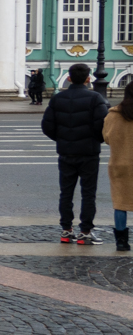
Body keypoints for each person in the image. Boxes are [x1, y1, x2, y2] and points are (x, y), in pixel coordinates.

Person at [42, 62, 110, 244]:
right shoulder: (95, 98)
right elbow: (103, 125)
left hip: (66, 152)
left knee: (66, 192)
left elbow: (47, 126)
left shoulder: (58, 98)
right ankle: (85, 232)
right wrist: (95, 139)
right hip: (89, 153)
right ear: (89, 79)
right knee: (88, 193)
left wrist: (62, 139)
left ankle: (66, 230)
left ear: (69, 78)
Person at [104, 79, 133, 251]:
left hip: (120, 164)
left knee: (120, 203)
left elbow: (107, 138)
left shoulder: (114, 115)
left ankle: (121, 241)